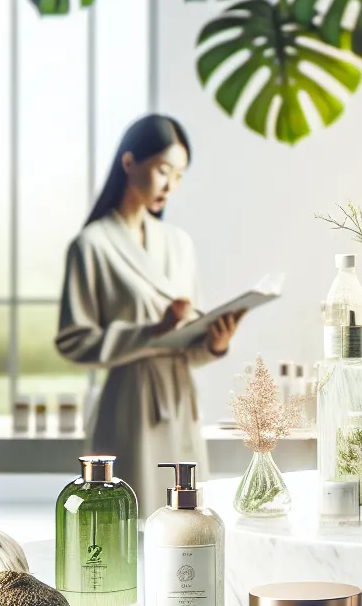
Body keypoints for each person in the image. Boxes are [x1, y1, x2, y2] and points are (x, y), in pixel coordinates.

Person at [56, 114, 243, 514]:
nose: (170, 186)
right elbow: (74, 341)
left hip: (180, 402)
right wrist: (153, 330)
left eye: (179, 175)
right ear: (129, 163)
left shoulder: (179, 244)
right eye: (163, 170)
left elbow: (185, 344)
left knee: (190, 524)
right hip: (130, 406)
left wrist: (213, 343)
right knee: (133, 522)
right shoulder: (92, 246)